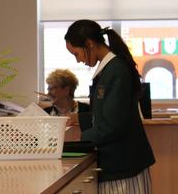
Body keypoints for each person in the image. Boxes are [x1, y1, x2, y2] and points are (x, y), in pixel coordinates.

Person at [65, 20, 155, 193]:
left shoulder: (116, 71)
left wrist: (82, 140)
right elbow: (107, 112)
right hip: (118, 163)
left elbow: (113, 125)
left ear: (90, 44)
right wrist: (79, 119)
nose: (78, 60)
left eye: (76, 53)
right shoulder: (108, 70)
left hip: (124, 164)